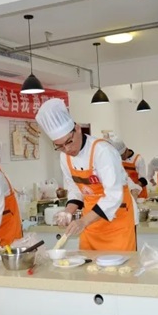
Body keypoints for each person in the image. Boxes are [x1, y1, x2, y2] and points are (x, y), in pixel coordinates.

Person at [36, 99, 136, 251]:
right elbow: (75, 189)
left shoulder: (102, 152)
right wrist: (68, 212)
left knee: (119, 265)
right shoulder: (65, 157)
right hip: (91, 225)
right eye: (59, 146)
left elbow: (113, 195)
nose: (67, 149)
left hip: (117, 224)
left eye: (69, 142)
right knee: (88, 265)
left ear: (77, 129)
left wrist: (83, 222)